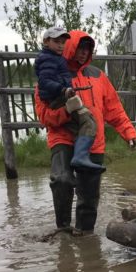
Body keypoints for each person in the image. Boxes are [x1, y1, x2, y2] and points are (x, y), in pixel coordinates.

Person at [35, 30, 136, 235]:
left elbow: (114, 109)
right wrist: (67, 112)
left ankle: (86, 236)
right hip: (63, 138)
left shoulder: (98, 76)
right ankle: (63, 229)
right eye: (80, 48)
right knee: (62, 181)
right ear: (71, 46)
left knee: (89, 195)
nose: (83, 53)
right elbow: (45, 117)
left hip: (94, 141)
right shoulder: (51, 76)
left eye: (88, 49)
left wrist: (128, 132)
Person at [34, 26, 104, 172]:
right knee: (88, 121)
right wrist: (63, 90)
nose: (60, 45)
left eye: (63, 42)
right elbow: (44, 82)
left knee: (83, 123)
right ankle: (80, 157)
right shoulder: (48, 59)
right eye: (56, 41)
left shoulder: (55, 58)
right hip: (58, 99)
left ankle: (80, 157)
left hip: (61, 97)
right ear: (46, 42)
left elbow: (113, 107)